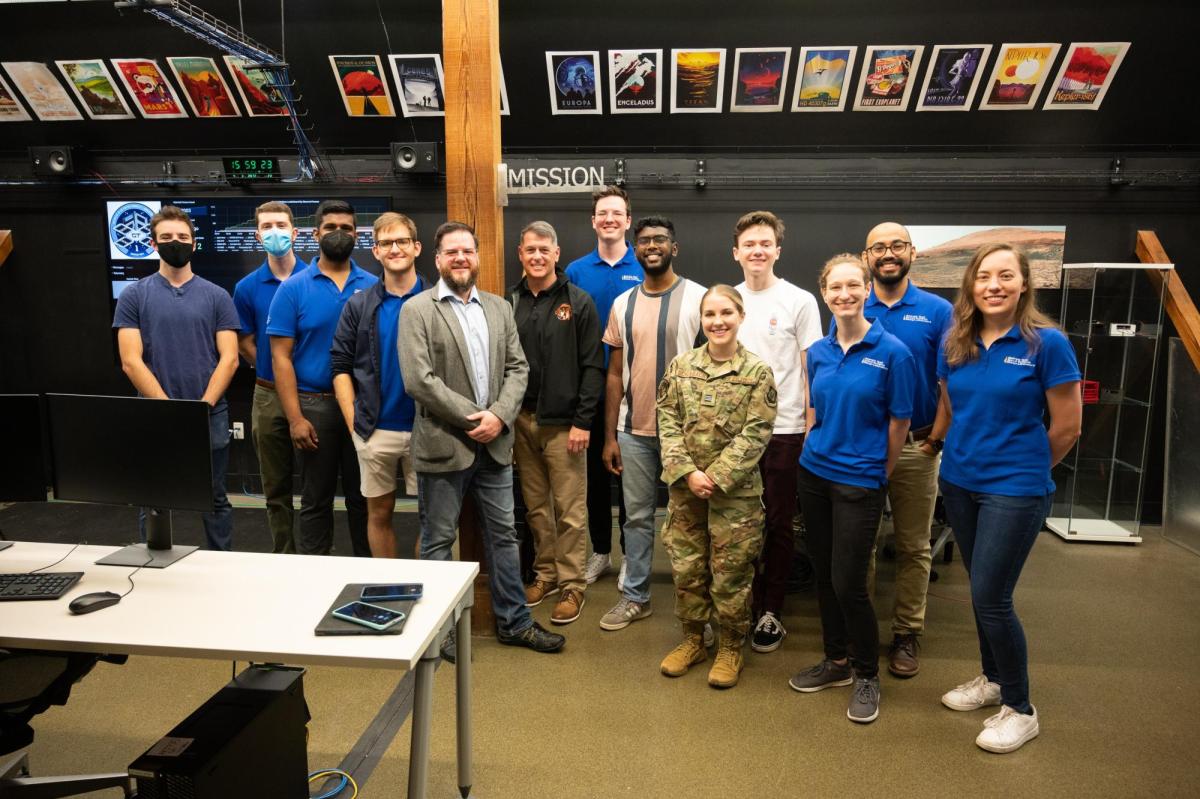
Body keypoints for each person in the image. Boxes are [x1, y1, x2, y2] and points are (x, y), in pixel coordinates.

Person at [936, 243, 1081, 753]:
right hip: (959, 482)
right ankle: (993, 679)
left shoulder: (1047, 344)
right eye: (984, 277)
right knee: (981, 591)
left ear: (1023, 284)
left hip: (1014, 491)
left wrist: (1024, 473)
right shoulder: (956, 342)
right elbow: (952, 408)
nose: (993, 285)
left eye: (1005, 276)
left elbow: (1066, 426)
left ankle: (1021, 708)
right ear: (971, 286)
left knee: (992, 599)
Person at [399, 221, 565, 659]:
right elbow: (419, 380)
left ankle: (515, 622)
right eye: (451, 251)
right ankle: (440, 630)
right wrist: (476, 417)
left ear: (477, 257)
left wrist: (499, 416)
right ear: (437, 259)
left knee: (504, 537)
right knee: (438, 541)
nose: (460, 258)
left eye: (467, 251)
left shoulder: (498, 308)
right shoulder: (417, 310)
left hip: (495, 446)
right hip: (443, 443)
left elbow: (518, 368)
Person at [788, 254, 916, 725]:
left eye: (852, 286)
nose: (843, 294)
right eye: (834, 288)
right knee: (823, 575)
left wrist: (879, 470)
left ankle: (866, 674)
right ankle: (836, 662)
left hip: (860, 480)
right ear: (824, 294)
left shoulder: (894, 352)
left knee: (850, 582)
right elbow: (813, 409)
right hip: (814, 474)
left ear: (866, 290)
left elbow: (900, 421)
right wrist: (810, 446)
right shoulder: (819, 351)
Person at [657, 285, 776, 688]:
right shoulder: (680, 366)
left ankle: (730, 646)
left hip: (735, 495)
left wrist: (718, 475)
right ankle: (693, 639)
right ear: (701, 320)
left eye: (726, 313)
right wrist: (689, 472)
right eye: (709, 314)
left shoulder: (757, 372)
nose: (717, 321)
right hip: (685, 489)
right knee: (687, 567)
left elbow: (757, 433)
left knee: (730, 573)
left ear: (740, 316)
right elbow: (667, 421)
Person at [599, 216, 706, 632]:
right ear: (635, 249)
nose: (652, 246)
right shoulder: (622, 303)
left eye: (660, 239)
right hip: (634, 431)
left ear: (673, 248)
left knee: (692, 523)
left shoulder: (699, 298)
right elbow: (613, 374)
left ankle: (697, 608)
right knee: (637, 518)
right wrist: (610, 435)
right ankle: (636, 597)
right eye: (643, 241)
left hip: (690, 436)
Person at [113, 205, 239, 550]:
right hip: (156, 415)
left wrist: (202, 406)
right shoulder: (133, 296)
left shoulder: (217, 296)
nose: (175, 243)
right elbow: (130, 361)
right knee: (154, 498)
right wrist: (170, 409)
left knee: (214, 498)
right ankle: (152, 567)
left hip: (209, 414)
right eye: (167, 237)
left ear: (194, 243)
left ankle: (221, 564)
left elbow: (229, 358)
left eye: (182, 237)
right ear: (154, 244)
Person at [858, 222, 953, 678]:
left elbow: (950, 381)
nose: (888, 254)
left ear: (912, 253)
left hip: (917, 447)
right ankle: (862, 631)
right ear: (866, 257)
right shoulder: (855, 304)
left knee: (915, 547)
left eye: (897, 245)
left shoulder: (937, 311)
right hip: (866, 446)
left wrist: (935, 438)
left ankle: (906, 633)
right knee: (864, 544)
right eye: (879, 247)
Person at [731, 211, 823, 654]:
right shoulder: (727, 299)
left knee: (778, 523)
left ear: (777, 250)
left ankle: (770, 610)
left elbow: (811, 368)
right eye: (750, 244)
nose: (757, 251)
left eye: (765, 243)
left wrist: (809, 422)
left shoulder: (799, 301)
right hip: (733, 434)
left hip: (784, 428)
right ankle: (737, 603)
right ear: (737, 252)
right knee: (737, 522)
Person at [267, 199, 376, 557]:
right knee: (316, 499)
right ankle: (315, 576)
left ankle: (368, 574)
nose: (339, 234)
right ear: (316, 234)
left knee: (366, 499)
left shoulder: (374, 285)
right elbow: (280, 358)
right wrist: (295, 417)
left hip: (363, 408)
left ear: (357, 235)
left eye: (347, 228)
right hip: (314, 407)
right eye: (331, 228)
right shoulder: (294, 288)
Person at [509, 221, 604, 624]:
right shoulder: (509, 302)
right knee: (535, 508)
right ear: (521, 253)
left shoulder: (578, 302)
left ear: (556, 253)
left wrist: (584, 421)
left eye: (544, 250)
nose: (537, 256)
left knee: (569, 510)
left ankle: (572, 586)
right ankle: (545, 574)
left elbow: (593, 366)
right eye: (530, 250)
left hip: (565, 425)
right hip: (521, 421)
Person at [330, 212, 425, 559]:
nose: (395, 248)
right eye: (387, 243)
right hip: (374, 429)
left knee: (431, 518)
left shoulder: (436, 299)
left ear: (416, 248)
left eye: (402, 241)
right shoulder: (359, 305)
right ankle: (390, 587)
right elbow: (339, 365)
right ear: (376, 251)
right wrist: (353, 420)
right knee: (379, 513)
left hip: (426, 429)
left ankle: (425, 588)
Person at [565, 186, 643, 586]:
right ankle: (600, 553)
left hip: (636, 389)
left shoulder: (644, 265)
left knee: (631, 477)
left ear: (628, 221)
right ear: (593, 221)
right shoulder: (576, 271)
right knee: (594, 475)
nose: (609, 219)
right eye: (602, 213)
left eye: (617, 213)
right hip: (592, 389)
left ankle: (632, 555)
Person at [232, 200, 307, 554]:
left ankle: (316, 555)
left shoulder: (314, 280)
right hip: (267, 394)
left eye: (280, 225)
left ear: (295, 233)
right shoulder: (246, 288)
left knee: (316, 487)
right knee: (275, 489)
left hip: (312, 394)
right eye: (266, 226)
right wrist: (279, 372)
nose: (274, 232)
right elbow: (244, 341)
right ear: (257, 235)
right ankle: (285, 554)